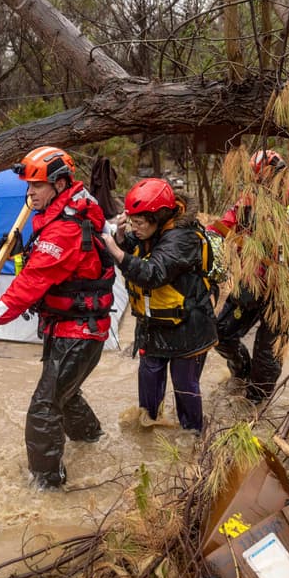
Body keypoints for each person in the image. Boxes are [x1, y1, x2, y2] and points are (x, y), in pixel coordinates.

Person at [0, 146, 115, 490]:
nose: (30, 194)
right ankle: (95, 443)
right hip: (70, 328)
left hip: (79, 332)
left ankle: (48, 486)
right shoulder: (59, 215)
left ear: (59, 183)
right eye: (28, 186)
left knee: (43, 409)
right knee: (64, 397)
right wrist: (22, 250)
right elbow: (51, 269)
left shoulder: (63, 229)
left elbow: (28, 286)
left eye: (37, 186)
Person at [210, 149, 289, 403]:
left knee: (268, 355)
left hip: (286, 290)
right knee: (219, 334)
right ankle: (241, 373)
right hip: (250, 282)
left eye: (267, 179)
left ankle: (253, 406)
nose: (263, 185)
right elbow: (221, 228)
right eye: (259, 180)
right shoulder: (247, 201)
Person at [101, 178, 217, 433]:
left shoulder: (183, 239)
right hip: (154, 327)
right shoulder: (154, 231)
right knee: (149, 391)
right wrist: (121, 238)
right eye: (132, 222)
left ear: (159, 216)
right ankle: (148, 438)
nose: (135, 228)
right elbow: (140, 247)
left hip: (188, 328)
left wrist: (115, 252)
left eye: (139, 223)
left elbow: (152, 272)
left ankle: (192, 441)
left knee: (185, 389)